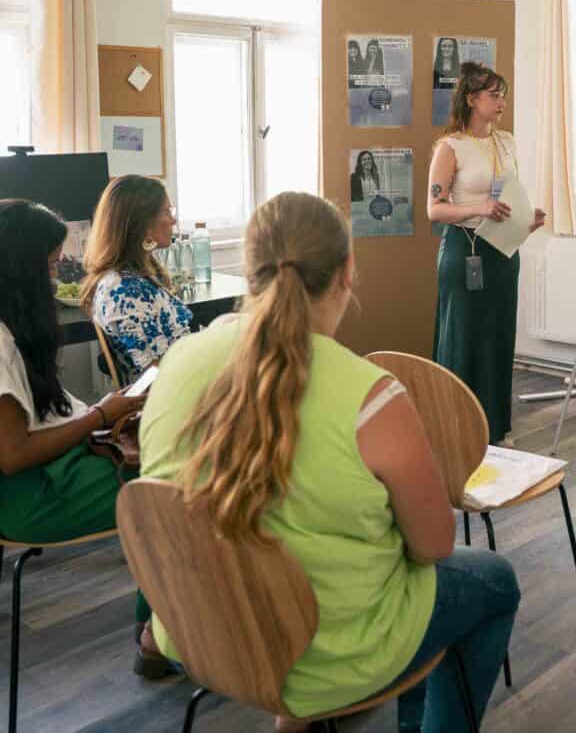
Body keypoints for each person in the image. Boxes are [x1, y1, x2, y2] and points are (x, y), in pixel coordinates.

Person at [139, 192, 519, 732]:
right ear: (347, 272)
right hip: (328, 659)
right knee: (493, 580)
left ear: (248, 272)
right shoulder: (372, 397)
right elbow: (432, 547)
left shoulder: (179, 362)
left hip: (198, 631)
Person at [0, 200, 157, 671]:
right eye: (46, 268)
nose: (51, 280)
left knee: (168, 459)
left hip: (44, 477)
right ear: (15, 270)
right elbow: (15, 453)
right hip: (33, 496)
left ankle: (166, 629)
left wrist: (105, 411)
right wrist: (102, 413)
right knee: (172, 487)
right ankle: (159, 636)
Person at [427, 62, 545, 443]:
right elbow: (435, 209)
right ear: (472, 99)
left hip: (502, 250)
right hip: (465, 250)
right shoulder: (450, 147)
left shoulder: (506, 142)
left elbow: (508, 194)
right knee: (463, 337)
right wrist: (478, 209)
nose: (502, 102)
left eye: (503, 95)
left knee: (497, 335)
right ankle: (457, 427)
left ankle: (495, 426)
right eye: (494, 95)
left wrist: (527, 217)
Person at [83, 175, 193, 378]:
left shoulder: (128, 280)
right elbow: (155, 375)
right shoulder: (125, 290)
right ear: (143, 224)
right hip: (170, 400)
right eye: (166, 211)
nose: (173, 219)